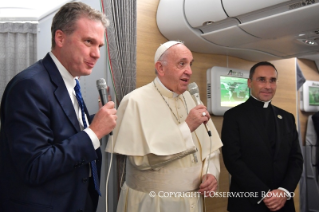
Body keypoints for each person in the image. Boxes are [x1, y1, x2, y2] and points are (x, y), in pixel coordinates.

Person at [0, 2, 117, 212]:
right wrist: (94, 132)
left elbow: (61, 131)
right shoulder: (29, 85)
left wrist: (94, 121)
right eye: (88, 41)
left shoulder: (71, 82)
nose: (97, 54)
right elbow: (34, 166)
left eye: (99, 46)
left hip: (76, 200)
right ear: (60, 38)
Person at [105, 41, 223, 212]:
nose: (189, 71)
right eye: (182, 64)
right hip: (152, 203)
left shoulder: (192, 99)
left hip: (192, 202)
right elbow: (141, 160)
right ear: (160, 68)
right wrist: (187, 127)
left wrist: (211, 173)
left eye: (190, 64)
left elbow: (211, 147)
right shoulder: (136, 101)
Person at [221, 61, 303, 212]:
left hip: (283, 204)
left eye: (272, 80)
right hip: (248, 204)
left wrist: (284, 191)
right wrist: (264, 194)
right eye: (262, 79)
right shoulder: (234, 117)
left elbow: (296, 160)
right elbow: (233, 160)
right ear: (249, 83)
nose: (268, 86)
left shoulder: (287, 118)